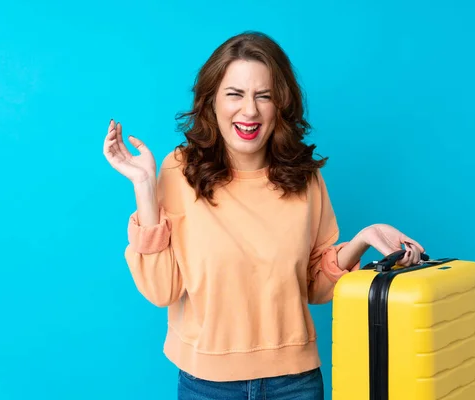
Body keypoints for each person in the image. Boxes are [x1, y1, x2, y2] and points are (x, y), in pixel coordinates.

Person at [103, 31, 425, 400]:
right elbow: (162, 291)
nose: (250, 111)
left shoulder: (304, 176)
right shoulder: (180, 170)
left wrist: (363, 239)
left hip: (296, 383)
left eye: (264, 96)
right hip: (207, 385)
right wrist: (144, 187)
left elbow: (315, 288)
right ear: (211, 102)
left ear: (280, 105)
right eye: (235, 94)